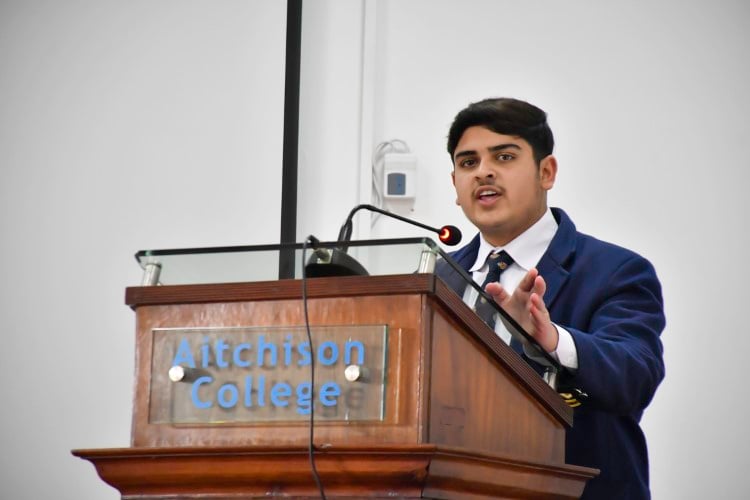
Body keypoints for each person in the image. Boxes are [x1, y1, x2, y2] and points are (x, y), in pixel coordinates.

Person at [436, 97, 665, 499]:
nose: (484, 171)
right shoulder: (436, 279)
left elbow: (636, 376)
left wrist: (553, 340)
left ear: (546, 172)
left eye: (504, 156)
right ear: (455, 184)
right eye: (469, 162)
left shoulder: (616, 271)